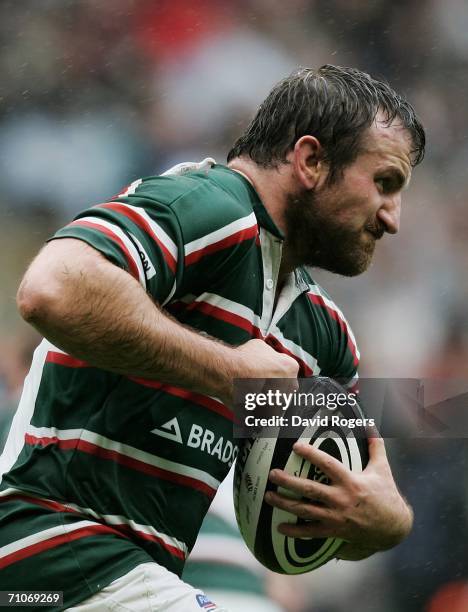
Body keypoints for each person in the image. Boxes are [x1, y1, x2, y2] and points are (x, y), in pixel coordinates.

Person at [0, 65, 425, 610]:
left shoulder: (324, 336)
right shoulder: (214, 206)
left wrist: (384, 523)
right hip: (45, 557)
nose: (392, 218)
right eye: (384, 183)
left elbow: (322, 510)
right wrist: (228, 373)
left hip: (135, 574)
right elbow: (50, 288)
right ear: (311, 161)